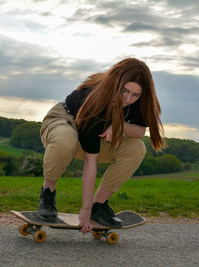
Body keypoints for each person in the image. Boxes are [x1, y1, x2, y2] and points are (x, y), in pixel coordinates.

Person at [38, 58, 165, 233]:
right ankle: (48, 193)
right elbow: (91, 162)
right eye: (124, 91)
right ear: (115, 83)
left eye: (135, 95)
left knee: (137, 148)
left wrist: (118, 123)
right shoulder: (94, 99)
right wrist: (84, 210)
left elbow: (139, 132)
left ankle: (100, 205)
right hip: (63, 122)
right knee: (66, 139)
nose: (128, 99)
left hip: (95, 132)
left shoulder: (142, 101)